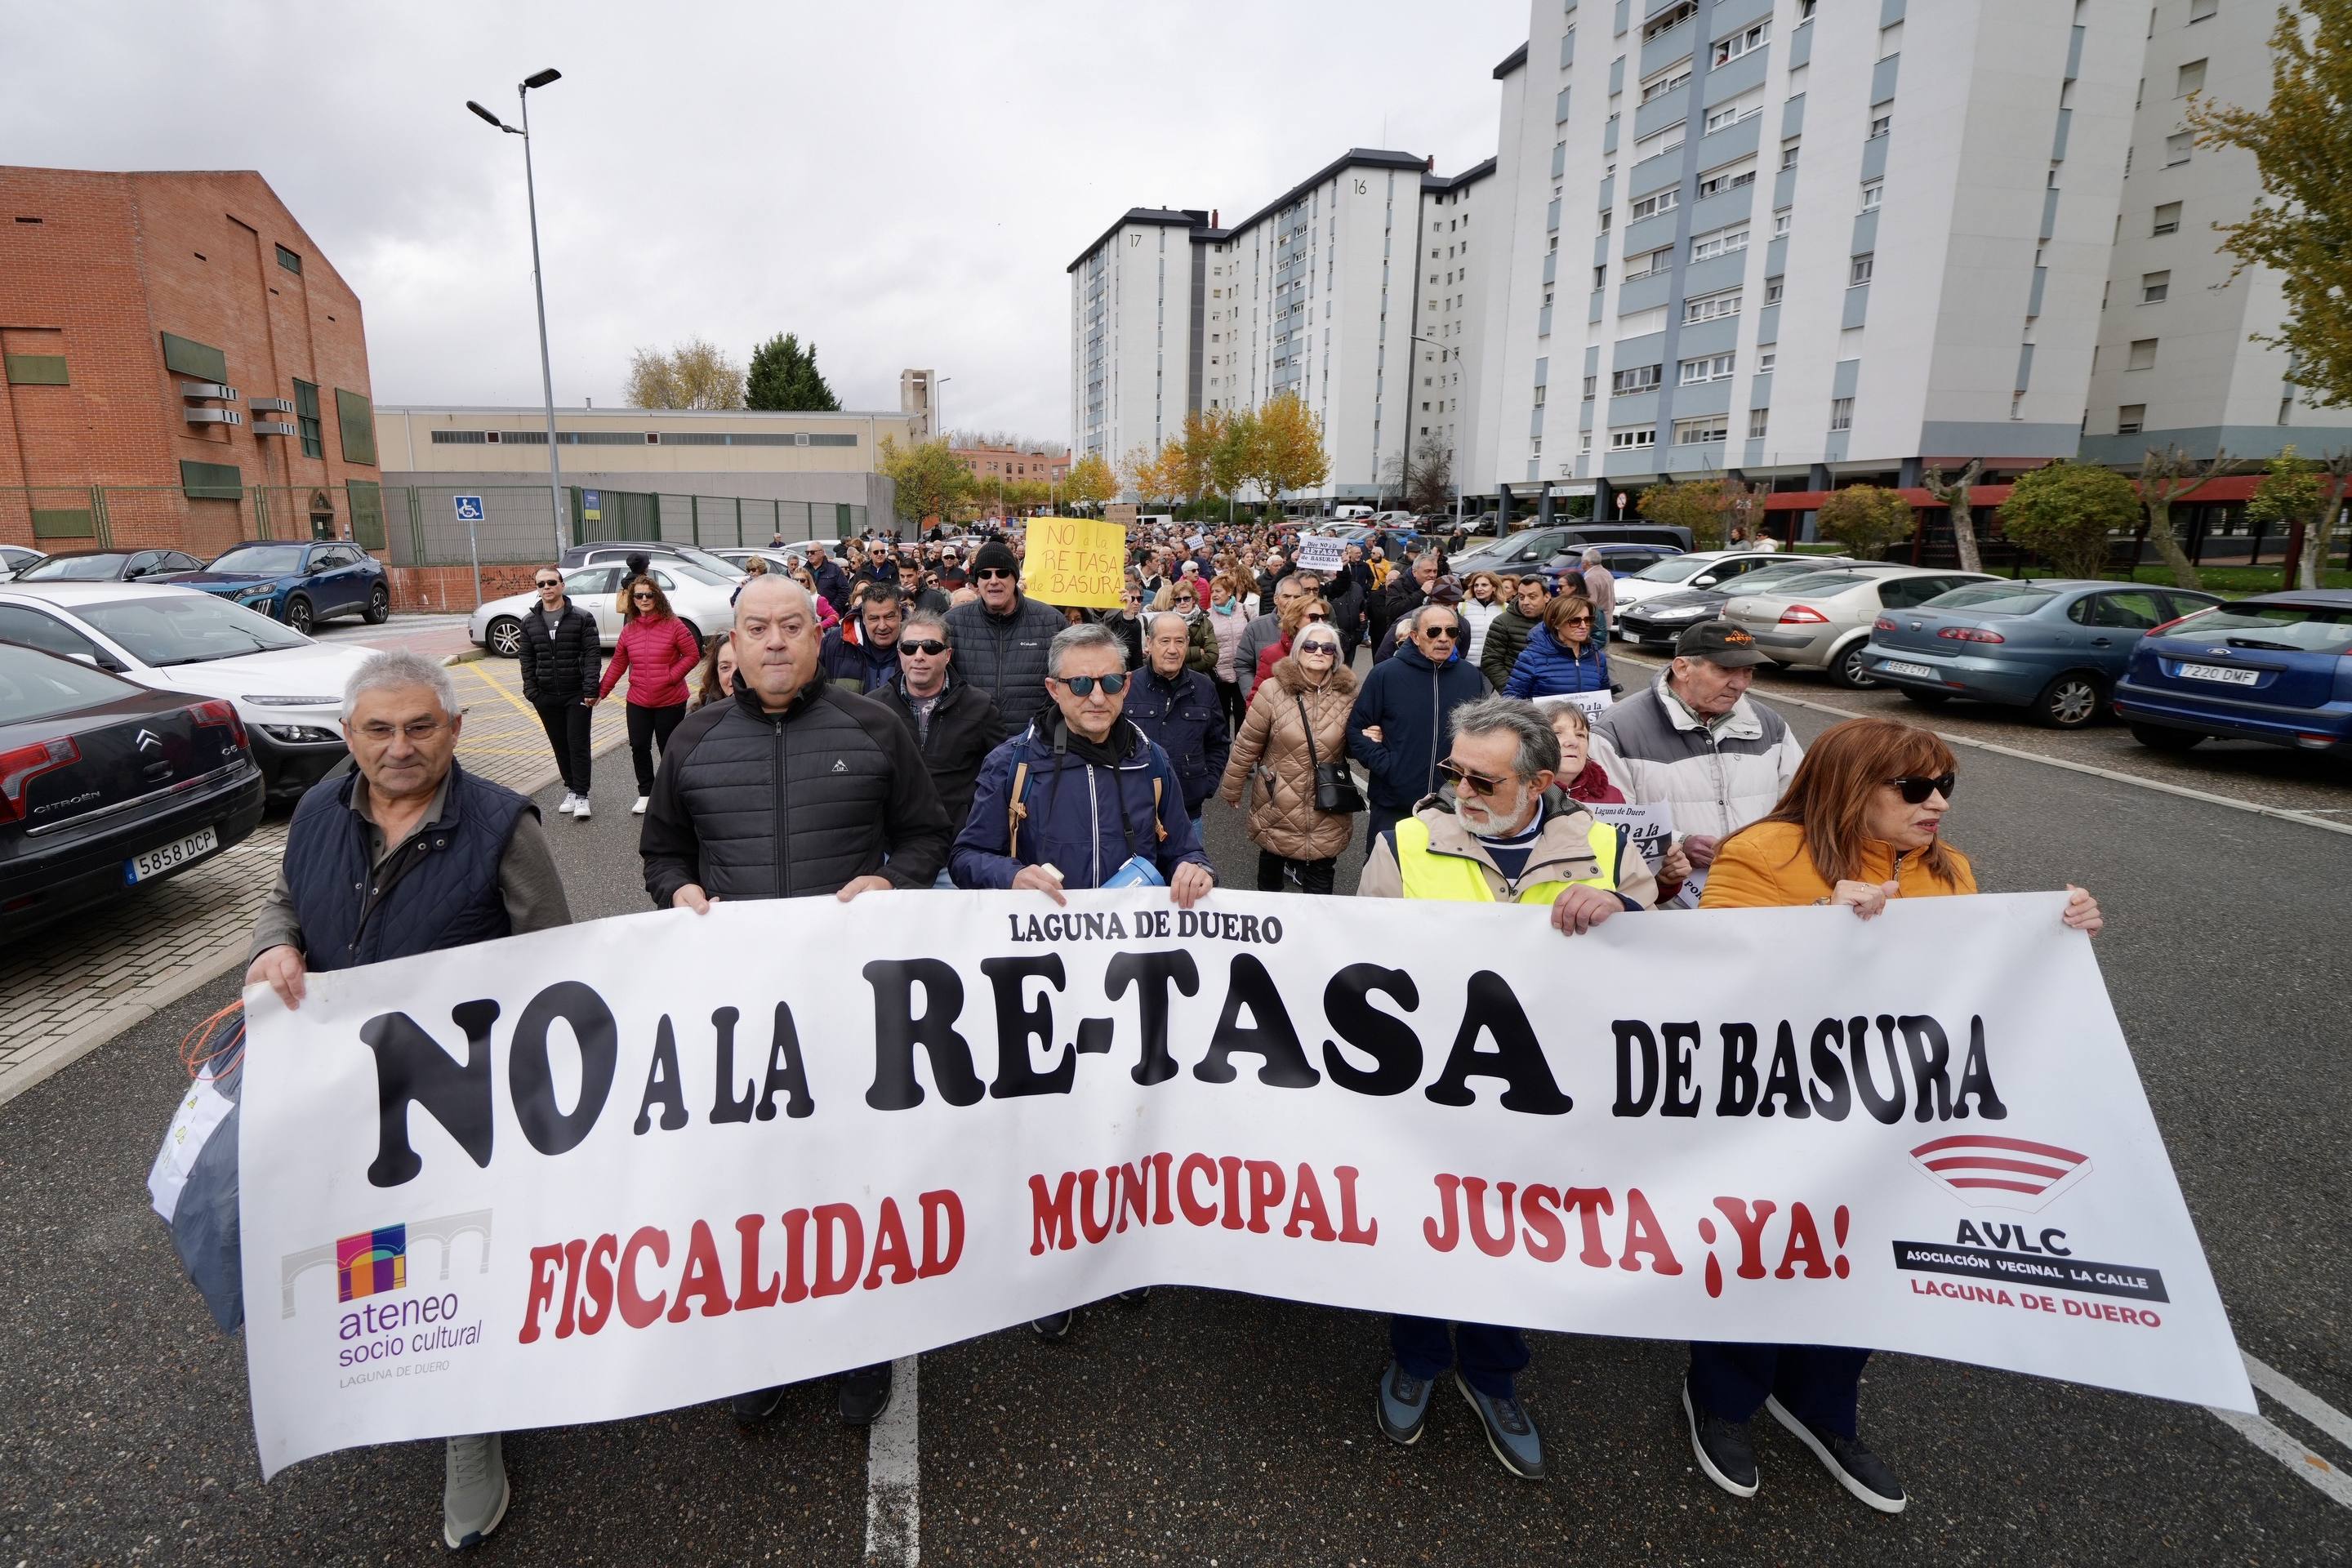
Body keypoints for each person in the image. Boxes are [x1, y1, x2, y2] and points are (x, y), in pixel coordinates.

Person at [1683, 716, 2102, 1513]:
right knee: (1760, 1254)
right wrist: (1816, 928)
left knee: (1867, 1263)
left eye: (1946, 785)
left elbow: (1973, 993)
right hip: (1776, 1113)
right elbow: (1715, 988)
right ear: (1850, 787)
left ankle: (1821, 1405)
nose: (1937, 801)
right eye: (1914, 787)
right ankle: (1724, 1397)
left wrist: (2056, 938)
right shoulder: (1761, 855)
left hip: (1893, 1119)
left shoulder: (1952, 873)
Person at [245, 650, 568, 1551]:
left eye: (421, 726)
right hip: (344, 1092)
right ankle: (392, 1372)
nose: (399, 747)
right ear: (349, 735)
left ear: (456, 731)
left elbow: (558, 967)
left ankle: (474, 1431)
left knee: (460, 1260)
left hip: (465, 1104)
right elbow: (282, 903)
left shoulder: (504, 827)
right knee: (373, 1254)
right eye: (378, 729)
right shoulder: (318, 809)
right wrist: (273, 948)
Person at [640, 575, 950, 1430]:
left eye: (790, 627)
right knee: (752, 1189)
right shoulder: (694, 741)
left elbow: (928, 833)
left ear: (820, 639)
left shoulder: (874, 725)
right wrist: (679, 894)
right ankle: (762, 1348)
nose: (774, 642)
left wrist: (894, 878)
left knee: (853, 1183)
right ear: (729, 648)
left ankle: (860, 1343)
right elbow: (662, 852)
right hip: (739, 1014)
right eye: (755, 629)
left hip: (850, 1008)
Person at [1357, 695, 1658, 1482]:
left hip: (1551, 1099)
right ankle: (1416, 1356)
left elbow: (1664, 953)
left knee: (1516, 1239)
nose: (1464, 791)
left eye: (1484, 782)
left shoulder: (1604, 843)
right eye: (1455, 773)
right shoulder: (1407, 842)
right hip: (1433, 1096)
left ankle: (1494, 1376)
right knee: (1426, 1230)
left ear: (1538, 782)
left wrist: (1626, 907)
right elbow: (1358, 959)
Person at [952, 623, 1214, 1339]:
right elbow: (967, 854)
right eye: (1080, 684)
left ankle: (1119, 1253)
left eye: (1110, 683)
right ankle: (1052, 1270)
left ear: (1127, 684)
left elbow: (1185, 843)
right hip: (1044, 981)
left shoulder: (1153, 759)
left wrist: (1199, 868)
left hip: (1130, 980)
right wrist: (1012, 874)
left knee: (1125, 1118)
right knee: (1049, 1129)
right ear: (1053, 690)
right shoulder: (1015, 763)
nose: (1096, 697)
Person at [1588, 621, 1804, 898]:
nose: (1739, 684)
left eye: (1748, 672)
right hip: (1669, 902)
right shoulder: (1619, 728)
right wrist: (1679, 843)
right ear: (1682, 668)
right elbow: (1609, 820)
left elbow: (1800, 802)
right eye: (1724, 670)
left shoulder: (1769, 724)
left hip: (1759, 891)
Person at [1217, 621, 1356, 893]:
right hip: (1279, 798)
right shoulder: (1272, 690)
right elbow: (1248, 743)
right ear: (1298, 651)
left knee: (1321, 881)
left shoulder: (1349, 695)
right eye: (1311, 646)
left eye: (1327, 648)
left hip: (1328, 801)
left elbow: (1353, 746)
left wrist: (1370, 735)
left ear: (1336, 655)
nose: (1319, 652)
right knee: (1271, 870)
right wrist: (1232, 787)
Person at [1347, 599, 1491, 856]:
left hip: (1453, 803)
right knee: (1388, 874)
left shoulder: (1470, 677)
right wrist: (1388, 765)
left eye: (1452, 632)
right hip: (1394, 801)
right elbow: (1357, 730)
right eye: (1434, 632)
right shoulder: (1385, 674)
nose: (1444, 638)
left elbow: (1483, 733)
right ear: (1414, 636)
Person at [875, 608, 1006, 884]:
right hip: (891, 858)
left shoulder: (979, 706)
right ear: (900, 654)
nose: (919, 656)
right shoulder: (875, 708)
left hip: (954, 858)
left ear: (947, 655)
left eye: (931, 647)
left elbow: (1000, 778)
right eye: (910, 648)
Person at [594, 575, 702, 817]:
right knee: (639, 746)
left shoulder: (674, 625)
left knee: (669, 748)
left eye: (649, 595)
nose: (644, 599)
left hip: (671, 699)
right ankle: (646, 792)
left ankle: (673, 792)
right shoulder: (629, 630)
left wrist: (670, 676)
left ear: (658, 597)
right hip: (638, 700)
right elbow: (618, 664)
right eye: (639, 596)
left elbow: (692, 655)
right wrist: (602, 691)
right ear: (633, 600)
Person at [943, 540, 1068, 736]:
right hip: (970, 746)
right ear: (978, 581)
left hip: (1033, 744)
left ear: (1014, 577)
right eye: (985, 574)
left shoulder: (1051, 622)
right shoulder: (952, 623)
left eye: (1002, 573)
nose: (994, 580)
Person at [1125, 612, 1230, 841]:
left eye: (1179, 641)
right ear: (1149, 644)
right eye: (1165, 641)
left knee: (1189, 875)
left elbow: (1218, 743)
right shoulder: (1128, 686)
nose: (1172, 650)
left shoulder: (1204, 687)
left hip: (1188, 814)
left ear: (1187, 644)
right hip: (1135, 813)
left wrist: (1206, 784)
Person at [515, 564, 600, 818]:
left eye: (552, 582)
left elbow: (592, 655)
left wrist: (590, 688)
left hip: (576, 693)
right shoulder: (529, 622)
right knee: (560, 745)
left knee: (578, 744)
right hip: (546, 695)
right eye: (541, 584)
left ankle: (583, 795)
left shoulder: (582, 618)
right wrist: (531, 690)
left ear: (562, 585)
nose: (547, 588)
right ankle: (571, 789)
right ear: (537, 589)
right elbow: (526, 658)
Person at [1503, 594, 1610, 699]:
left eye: (1587, 620)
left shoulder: (1598, 658)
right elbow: (1511, 702)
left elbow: (1604, 700)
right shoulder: (1531, 658)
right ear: (1556, 623)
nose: (1583, 626)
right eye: (1575, 621)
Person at [820, 578, 906, 693]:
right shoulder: (833, 644)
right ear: (863, 617)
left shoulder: (919, 645)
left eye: (889, 617)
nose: (882, 626)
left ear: (899, 613)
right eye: (874, 618)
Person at [1235, 572, 1308, 704]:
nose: (1292, 602)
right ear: (1276, 599)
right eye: (1286, 596)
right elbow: (1243, 666)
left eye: (1297, 597)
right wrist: (1253, 696)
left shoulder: (1312, 629)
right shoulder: (1256, 627)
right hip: (1265, 703)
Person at [1479, 572, 1551, 691]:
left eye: (1532, 597)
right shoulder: (1502, 622)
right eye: (1521, 597)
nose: (1525, 602)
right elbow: (1490, 661)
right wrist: (1511, 691)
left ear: (1547, 596)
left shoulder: (1557, 621)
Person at [1205, 572, 1254, 733]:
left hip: (1243, 673)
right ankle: (1223, 755)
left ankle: (1241, 753)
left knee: (1243, 715)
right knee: (1221, 719)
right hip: (1220, 675)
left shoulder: (1246, 611)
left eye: (1218, 591)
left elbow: (1255, 638)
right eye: (1212, 592)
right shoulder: (1207, 615)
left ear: (1229, 592)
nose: (1214, 595)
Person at [1254, 592, 1332, 693]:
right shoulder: (1272, 654)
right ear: (1295, 620)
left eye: (1324, 617)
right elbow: (1258, 696)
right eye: (1314, 617)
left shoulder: (1330, 651)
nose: (1321, 623)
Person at [1458, 571, 1505, 666]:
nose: (1479, 589)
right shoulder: (1461, 607)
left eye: (1484, 585)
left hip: (1494, 665)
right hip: (1466, 664)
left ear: (1494, 588)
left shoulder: (1505, 608)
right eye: (1476, 585)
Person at [1578, 549, 1617, 644]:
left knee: (1596, 652)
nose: (1581, 564)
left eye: (1582, 562)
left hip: (1596, 623)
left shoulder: (1590, 578)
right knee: (1604, 651)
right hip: (1607, 618)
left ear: (1586, 563)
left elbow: (1591, 603)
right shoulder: (1607, 573)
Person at [692, 630, 737, 710]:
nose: (734, 675)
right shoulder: (701, 717)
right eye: (725, 667)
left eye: (742, 666)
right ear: (716, 674)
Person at [806, 540, 853, 615]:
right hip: (810, 615)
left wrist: (830, 609)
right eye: (807, 553)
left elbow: (845, 592)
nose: (809, 555)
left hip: (830, 616)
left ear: (822, 553)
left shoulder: (834, 569)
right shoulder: (804, 571)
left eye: (812, 552)